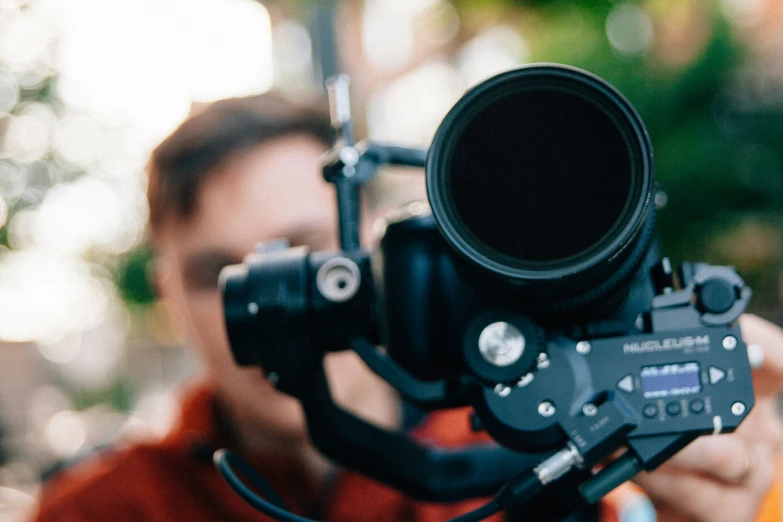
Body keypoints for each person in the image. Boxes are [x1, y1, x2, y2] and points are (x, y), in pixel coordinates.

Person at [30, 92, 783, 522]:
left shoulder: (543, 460)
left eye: (304, 251)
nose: (268, 298)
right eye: (213, 275)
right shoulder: (100, 512)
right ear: (170, 300)